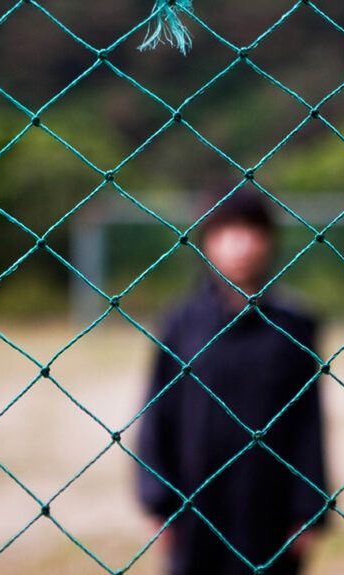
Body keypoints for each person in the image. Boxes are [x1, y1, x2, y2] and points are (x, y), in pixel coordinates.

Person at [134, 187, 330, 575]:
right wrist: (157, 501)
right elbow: (158, 412)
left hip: (270, 507)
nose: (239, 245)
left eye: (250, 231)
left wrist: (309, 508)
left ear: (269, 240)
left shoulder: (294, 326)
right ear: (206, 242)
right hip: (195, 504)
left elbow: (309, 421)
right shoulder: (180, 324)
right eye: (225, 231)